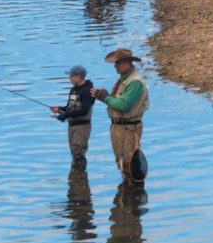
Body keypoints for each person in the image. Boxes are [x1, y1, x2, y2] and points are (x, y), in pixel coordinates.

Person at [94, 48, 150, 184]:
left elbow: (123, 105)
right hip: (121, 129)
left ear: (127, 63)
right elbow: (119, 101)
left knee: (129, 164)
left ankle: (131, 195)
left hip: (128, 130)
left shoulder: (135, 82)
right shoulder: (125, 79)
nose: (115, 66)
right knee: (123, 163)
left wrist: (105, 98)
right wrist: (107, 96)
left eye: (118, 63)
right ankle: (128, 194)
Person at [51, 65, 96, 170]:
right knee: (74, 152)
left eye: (71, 76)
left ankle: (80, 177)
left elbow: (84, 110)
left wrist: (66, 115)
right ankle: (76, 175)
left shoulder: (88, 90)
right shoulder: (73, 90)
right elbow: (69, 107)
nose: (69, 78)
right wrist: (59, 109)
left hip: (82, 126)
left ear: (79, 77)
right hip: (72, 126)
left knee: (79, 152)